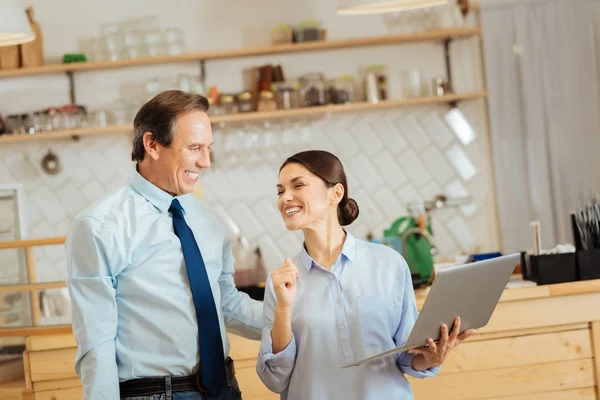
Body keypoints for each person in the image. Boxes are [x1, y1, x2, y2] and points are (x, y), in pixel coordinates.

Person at [66, 90, 262, 400]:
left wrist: (299, 319)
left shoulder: (205, 219)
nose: (206, 161)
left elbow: (226, 304)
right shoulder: (100, 226)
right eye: (195, 147)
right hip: (156, 394)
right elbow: (97, 341)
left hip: (225, 389)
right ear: (152, 144)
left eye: (208, 148)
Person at [256, 150, 475, 399]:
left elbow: (407, 357)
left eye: (298, 185)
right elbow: (275, 379)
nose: (286, 197)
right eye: (280, 191)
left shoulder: (389, 264)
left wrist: (432, 357)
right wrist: (283, 308)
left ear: (335, 193)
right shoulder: (282, 283)